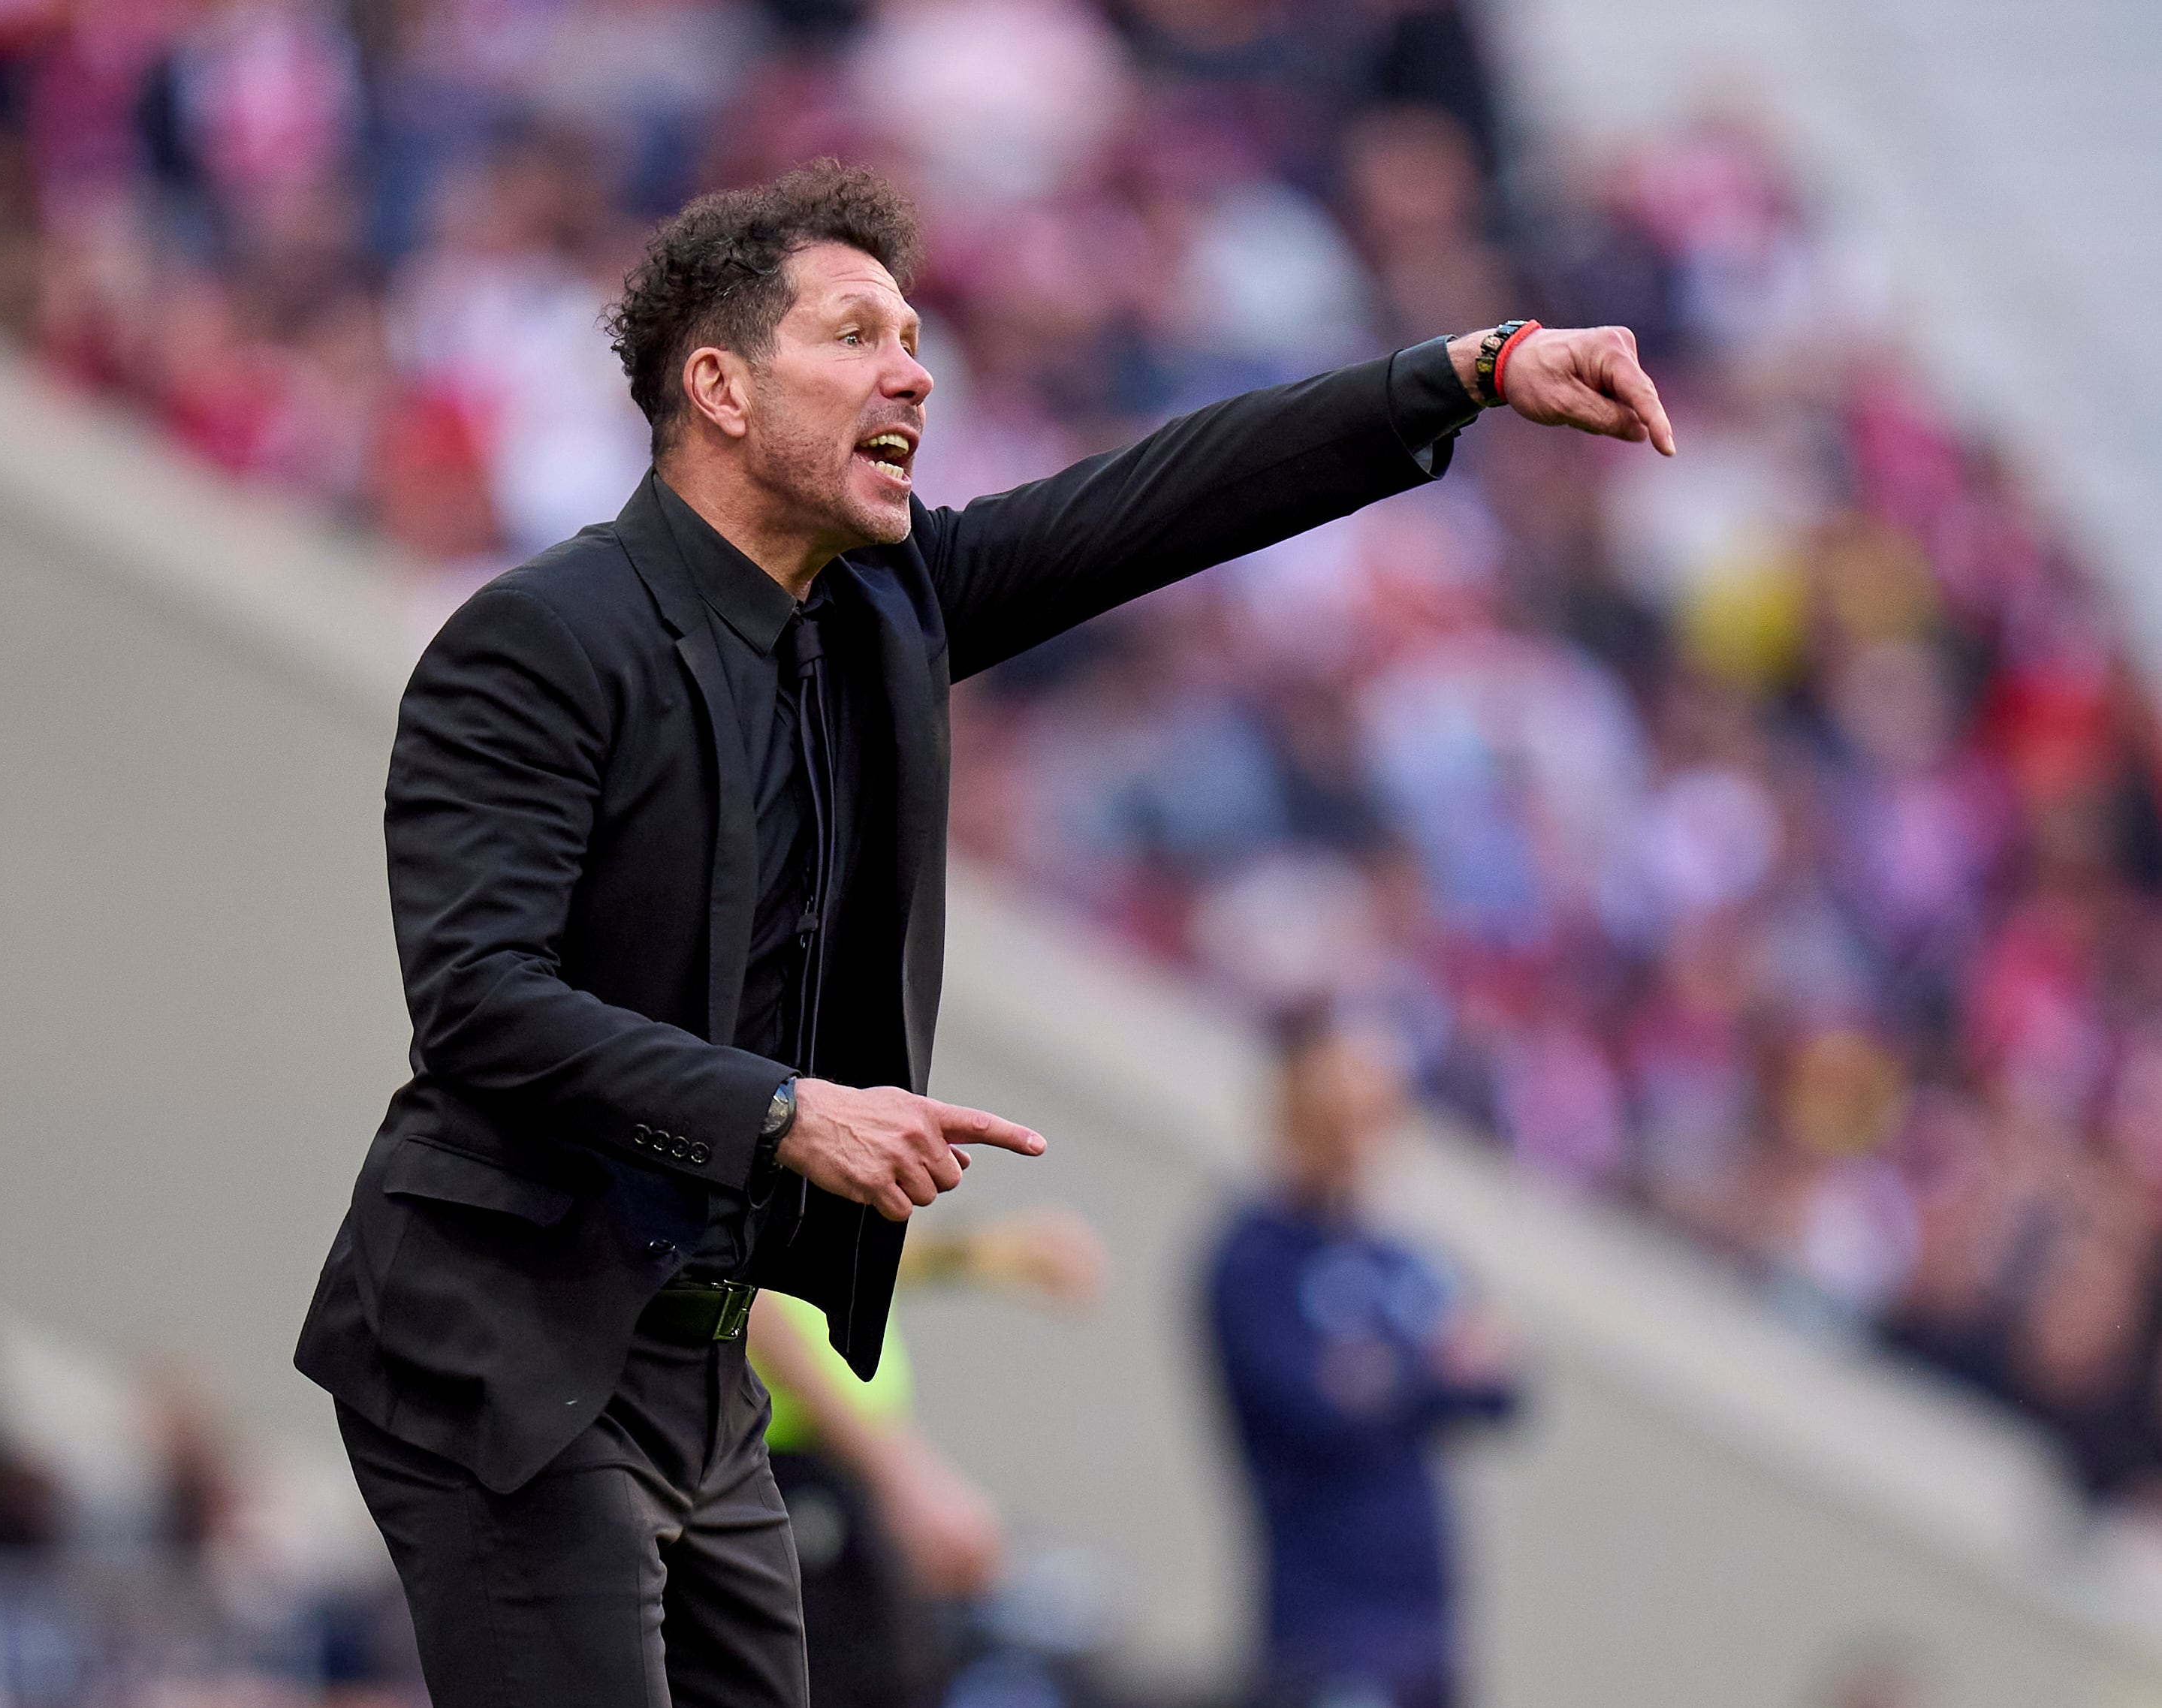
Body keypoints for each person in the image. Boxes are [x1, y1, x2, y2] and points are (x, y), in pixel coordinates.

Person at [291, 158, 1673, 1708]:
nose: (912, 369)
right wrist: (783, 1110)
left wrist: (1466, 370)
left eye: (915, 334)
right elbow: (477, 1004)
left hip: (697, 1363)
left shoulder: (885, 606)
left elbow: (1162, 499)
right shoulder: (539, 640)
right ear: (718, 387)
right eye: (856, 333)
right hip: (496, 1346)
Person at [1206, 1008, 1519, 1708]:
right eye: (1338, 1112)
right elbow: (1319, 1408)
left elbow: (1504, 1385)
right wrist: (1430, 1371)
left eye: (1374, 1115)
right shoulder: (1255, 1258)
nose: (1355, 1138)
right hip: (1324, 1625)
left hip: (1425, 1628)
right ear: (1290, 1110)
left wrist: (1394, 1375)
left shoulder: (1396, 1256)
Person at [746, 1209, 1108, 1708]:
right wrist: (901, 1473)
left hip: (826, 1471)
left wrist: (991, 1253)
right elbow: (748, 1278)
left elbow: (817, 1252)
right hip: (784, 1472)